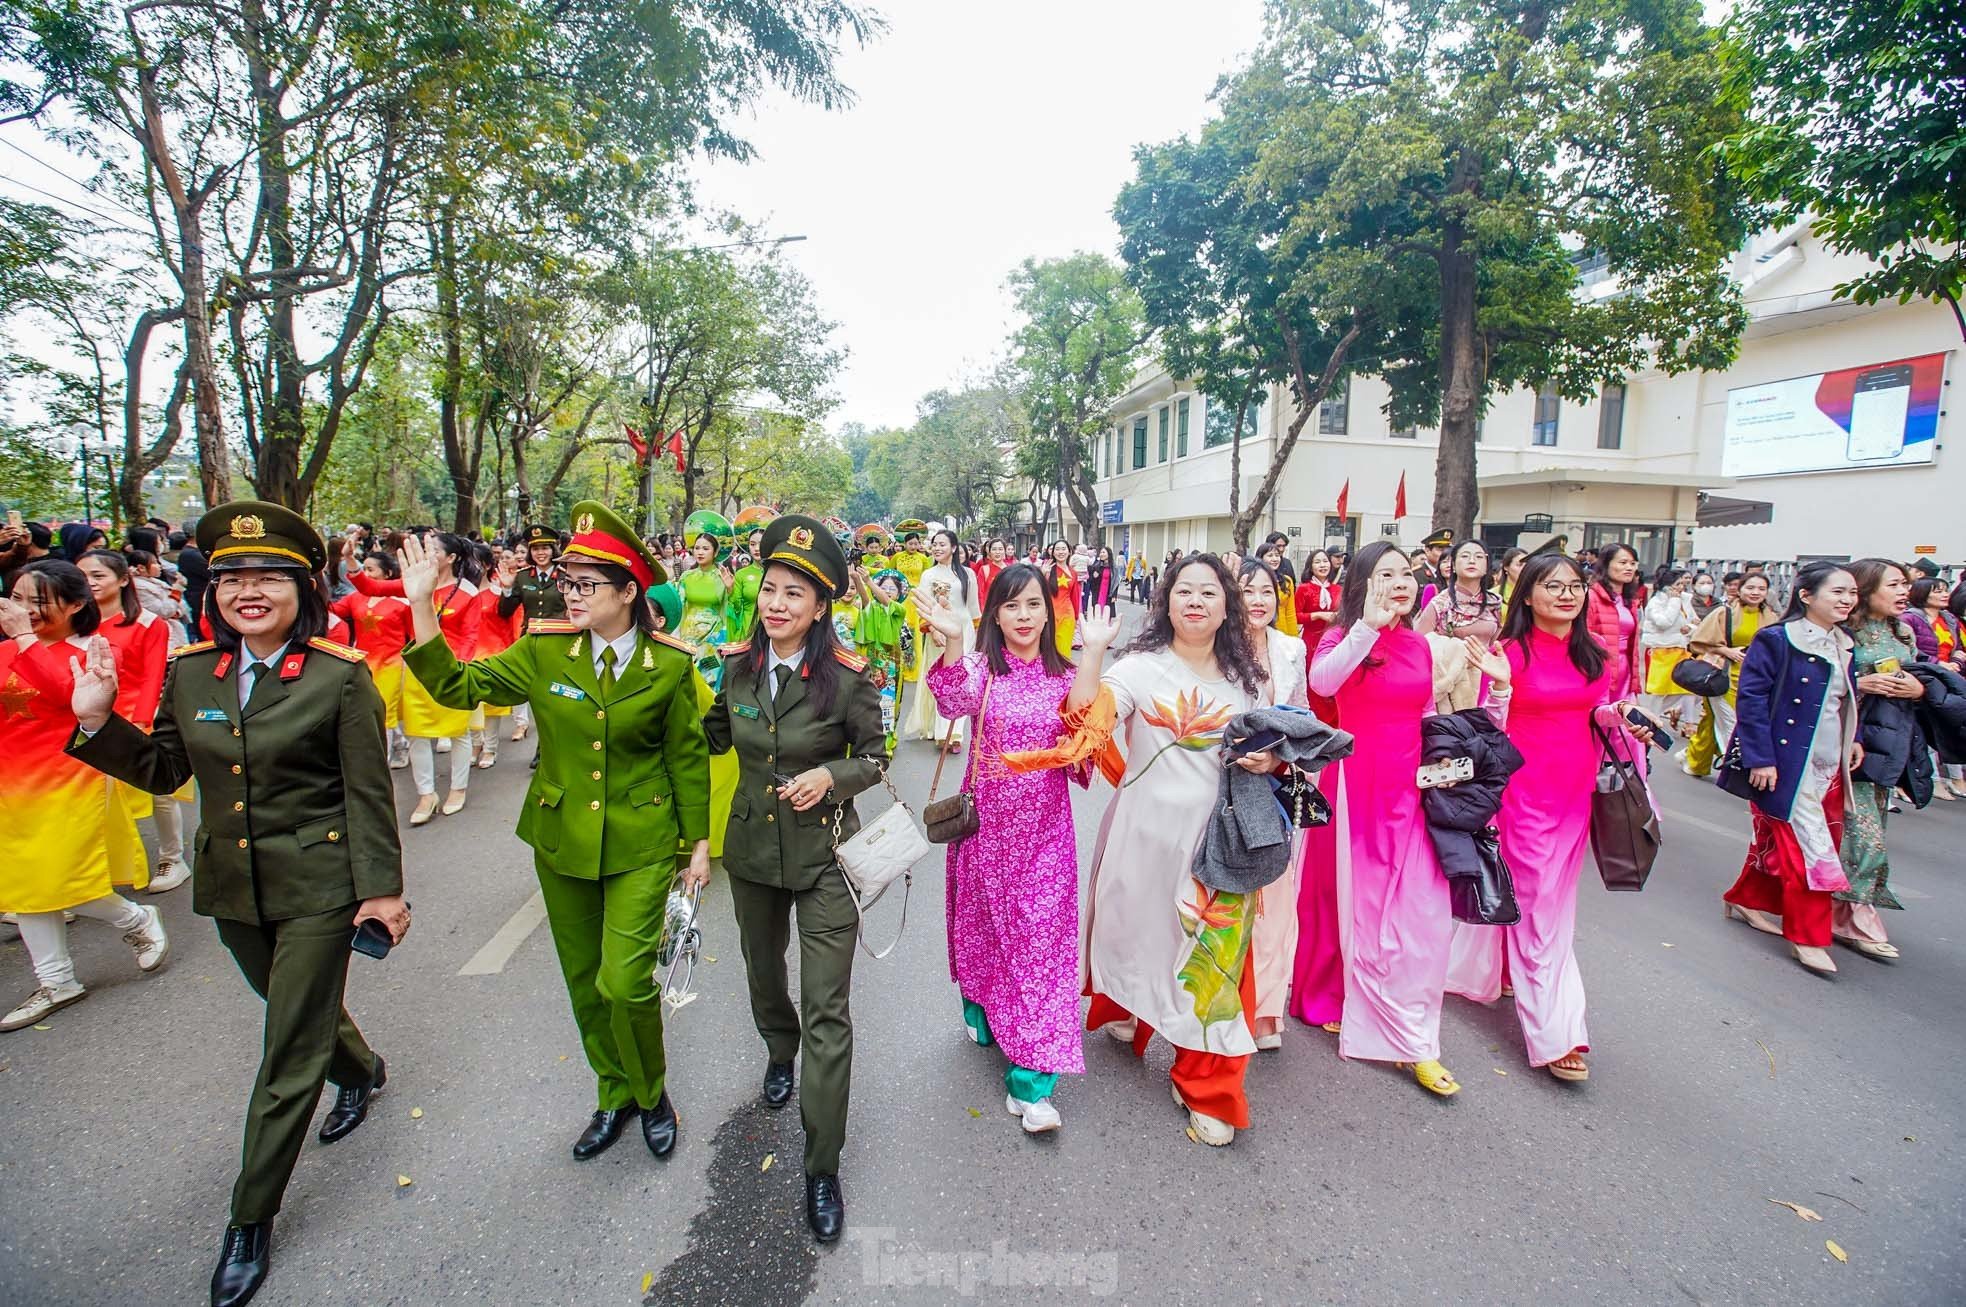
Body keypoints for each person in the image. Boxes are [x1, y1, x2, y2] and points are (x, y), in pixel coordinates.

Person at [65, 503, 406, 1307]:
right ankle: (360, 1067)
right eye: (232, 579)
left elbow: (367, 794)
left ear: (303, 587)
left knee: (287, 1051)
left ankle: (249, 1218)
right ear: (212, 590)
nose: (247, 592)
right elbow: (163, 769)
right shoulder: (193, 673)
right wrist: (94, 722)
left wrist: (383, 892)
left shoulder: (338, 675)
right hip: (232, 888)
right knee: (295, 1011)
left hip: (321, 885)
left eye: (267, 578)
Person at [400, 503, 710, 1162]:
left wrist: (698, 844)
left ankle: (652, 1093)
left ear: (629, 591)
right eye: (567, 582)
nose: (569, 593)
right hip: (561, 836)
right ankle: (613, 1091)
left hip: (642, 838)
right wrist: (422, 606)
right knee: (583, 980)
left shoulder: (670, 666)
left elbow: (685, 756)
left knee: (623, 981)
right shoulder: (543, 650)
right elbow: (458, 685)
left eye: (585, 584)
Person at [703, 514, 888, 1243]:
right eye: (770, 590)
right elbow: (714, 734)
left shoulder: (847, 680)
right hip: (750, 851)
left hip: (824, 859)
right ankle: (778, 1051)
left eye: (795, 594)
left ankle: (821, 1163)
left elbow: (876, 755)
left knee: (829, 1009)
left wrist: (830, 775)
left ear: (820, 606)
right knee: (762, 974)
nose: (778, 604)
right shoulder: (738, 667)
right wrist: (694, 680)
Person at [1075, 554, 1266, 1145]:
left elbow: (1278, 742)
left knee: (1211, 969)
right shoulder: (1139, 669)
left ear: (1226, 606)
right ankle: (1126, 1005)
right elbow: (1087, 720)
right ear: (1166, 602)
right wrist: (1093, 651)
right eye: (1184, 590)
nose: (1196, 601)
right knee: (1136, 934)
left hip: (1218, 850)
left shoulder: (1247, 678)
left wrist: (1271, 758)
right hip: (1143, 839)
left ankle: (1205, 1084)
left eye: (1210, 592)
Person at [1446, 552, 1646, 1081]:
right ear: (1527, 595)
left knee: (1548, 899)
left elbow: (1597, 709)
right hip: (1522, 796)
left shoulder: (1595, 652)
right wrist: (1503, 687)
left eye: (1575, 585)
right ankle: (1558, 1032)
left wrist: (1624, 718)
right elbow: (1487, 728)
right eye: (1552, 586)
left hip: (1574, 797)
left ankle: (1498, 970)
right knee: (1543, 911)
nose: (1566, 594)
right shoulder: (1506, 653)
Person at [1308, 540, 1486, 1098]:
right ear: (1362, 582)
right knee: (1360, 912)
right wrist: (1366, 627)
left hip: (1413, 791)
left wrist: (1446, 764)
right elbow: (1323, 685)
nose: (1399, 582)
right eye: (1385, 574)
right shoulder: (1345, 637)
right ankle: (1359, 1007)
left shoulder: (1424, 646)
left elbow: (1428, 712)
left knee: (1423, 919)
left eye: (1406, 573)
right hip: (1357, 788)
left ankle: (1417, 1041)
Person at [921, 563, 1091, 1133]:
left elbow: (1084, 754)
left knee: (1041, 952)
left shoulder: (1065, 675)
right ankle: (983, 1008)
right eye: (1012, 606)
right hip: (985, 835)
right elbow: (951, 703)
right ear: (995, 612)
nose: (1024, 617)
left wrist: (1093, 662)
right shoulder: (980, 669)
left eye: (1034, 605)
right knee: (987, 934)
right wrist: (951, 639)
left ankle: (1032, 1086)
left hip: (1046, 841)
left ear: (1050, 612)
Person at [0, 560, 168, 1031]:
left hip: (67, 779)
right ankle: (57, 982)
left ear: (76, 605)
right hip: (11, 785)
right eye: (16, 598)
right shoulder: (6, 649)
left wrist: (25, 640)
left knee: (60, 877)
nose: (23, 610)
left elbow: (66, 696)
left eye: (37, 601)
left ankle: (135, 920)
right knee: (26, 887)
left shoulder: (91, 648)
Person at [1719, 562, 1862, 976]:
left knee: (1785, 838)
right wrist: (1760, 757)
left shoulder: (1844, 642)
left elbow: (1845, 700)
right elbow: (1751, 699)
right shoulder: (1779, 640)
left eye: (1851, 593)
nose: (1846, 600)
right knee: (1811, 849)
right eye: (1837, 592)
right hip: (1786, 763)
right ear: (1806, 595)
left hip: (1828, 762)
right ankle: (1808, 936)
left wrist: (1854, 739)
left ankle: (1745, 898)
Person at [78, 548, 193, 893]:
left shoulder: (147, 623)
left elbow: (153, 677)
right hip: (87, 719)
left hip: (137, 715)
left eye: (98, 575)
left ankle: (173, 857)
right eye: (82, 576)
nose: (90, 583)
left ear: (124, 579)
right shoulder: (75, 623)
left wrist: (144, 721)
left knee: (157, 789)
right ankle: (89, 873)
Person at [349, 532, 480, 824]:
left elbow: (471, 635)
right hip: (417, 669)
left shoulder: (468, 592)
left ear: (451, 558)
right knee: (417, 734)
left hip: (453, 670)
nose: (427, 554)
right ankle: (426, 794)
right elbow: (370, 586)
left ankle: (458, 789)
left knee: (459, 732)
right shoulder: (412, 584)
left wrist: (460, 670)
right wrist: (348, 561)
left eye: (433, 550)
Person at [1834, 559, 1927, 958]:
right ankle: (1854, 911)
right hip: (1844, 740)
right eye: (1894, 584)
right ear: (1867, 589)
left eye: (1905, 584)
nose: (1904, 591)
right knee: (1858, 829)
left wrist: (1918, 689)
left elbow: (1928, 678)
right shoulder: (1842, 632)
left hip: (1890, 742)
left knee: (1869, 824)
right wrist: (1860, 683)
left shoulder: (1904, 632)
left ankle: (1846, 906)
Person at [1237, 558, 1310, 1051]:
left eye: (1268, 591)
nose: (1259, 599)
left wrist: (1280, 761)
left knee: (1275, 904)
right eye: (1248, 590)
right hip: (1224, 785)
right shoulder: (1216, 650)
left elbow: (1303, 716)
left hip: (1275, 785)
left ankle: (1264, 1011)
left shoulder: (1291, 648)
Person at [1687, 571, 1780, 764]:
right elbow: (1699, 642)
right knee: (1732, 723)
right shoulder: (1724, 612)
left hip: (1757, 678)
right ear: (1740, 589)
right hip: (1724, 675)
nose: (1756, 592)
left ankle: (1694, 760)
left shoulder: (1772, 617)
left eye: (1761, 589)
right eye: (1751, 587)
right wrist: (1726, 651)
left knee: (1711, 722)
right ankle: (1737, 766)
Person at [331, 551, 413, 769]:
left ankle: (379, 765)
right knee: (369, 709)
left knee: (384, 710)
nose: (365, 573)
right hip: (363, 663)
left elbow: (414, 634)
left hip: (392, 663)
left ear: (387, 574)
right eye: (364, 568)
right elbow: (332, 611)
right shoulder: (354, 598)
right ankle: (400, 743)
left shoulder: (402, 601)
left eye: (370, 569)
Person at [902, 528, 980, 747]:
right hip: (941, 630)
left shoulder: (968, 574)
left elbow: (973, 608)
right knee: (944, 679)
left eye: (942, 544)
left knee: (963, 679)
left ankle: (956, 733)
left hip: (965, 630)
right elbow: (924, 605)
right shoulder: (929, 575)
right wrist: (933, 629)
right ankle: (942, 732)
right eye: (934, 544)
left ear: (954, 548)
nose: (937, 548)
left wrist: (978, 633)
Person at [495, 524, 565, 746]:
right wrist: (507, 589)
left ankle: (546, 748)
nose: (540, 553)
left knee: (557, 697)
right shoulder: (523, 577)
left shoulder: (565, 575)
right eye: (535, 549)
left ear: (553, 549)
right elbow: (505, 612)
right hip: (531, 642)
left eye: (545, 548)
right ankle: (542, 744)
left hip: (560, 643)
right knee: (537, 695)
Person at [1413, 539, 1502, 709]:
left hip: (1487, 679)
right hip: (1452, 685)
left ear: (1486, 566)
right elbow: (1419, 645)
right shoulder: (1440, 604)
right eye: (1465, 556)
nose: (1472, 561)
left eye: (1478, 557)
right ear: (1453, 565)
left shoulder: (1494, 603)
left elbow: (1497, 644)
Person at [1640, 568, 1700, 733]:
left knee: (1684, 687)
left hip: (1680, 648)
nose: (1681, 587)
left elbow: (1695, 620)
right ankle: (1651, 720)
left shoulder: (1685, 599)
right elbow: (1664, 622)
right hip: (1661, 649)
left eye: (1682, 583)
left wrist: (1690, 627)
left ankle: (1653, 716)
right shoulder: (1656, 602)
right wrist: (1674, 602)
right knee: (1659, 690)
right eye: (1677, 584)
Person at [1582, 542, 1644, 703]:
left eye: (1632, 563)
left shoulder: (1630, 600)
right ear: (1606, 564)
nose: (1629, 568)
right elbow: (1584, 638)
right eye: (1622, 563)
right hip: (1602, 669)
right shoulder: (1592, 597)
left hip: (1626, 669)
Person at [1295, 549, 1342, 655]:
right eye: (1317, 562)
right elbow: (1296, 617)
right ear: (1310, 567)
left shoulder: (1338, 589)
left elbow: (1344, 614)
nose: (1322, 565)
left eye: (1325, 561)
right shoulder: (1304, 589)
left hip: (1333, 639)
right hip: (1310, 640)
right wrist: (1318, 615)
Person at [1043, 540, 1081, 657]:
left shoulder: (1073, 573)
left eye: (1063, 549)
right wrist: (1043, 574)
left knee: (1064, 649)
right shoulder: (1047, 569)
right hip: (1049, 615)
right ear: (1053, 553)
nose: (1061, 552)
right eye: (1057, 549)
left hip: (1067, 615)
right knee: (1049, 648)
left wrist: (1076, 617)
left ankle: (1064, 673)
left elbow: (1075, 596)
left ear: (1069, 552)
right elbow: (1039, 592)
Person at [1257, 540, 1300, 637]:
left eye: (1277, 555)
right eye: (1270, 555)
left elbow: (1290, 612)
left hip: (1282, 632)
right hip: (1261, 632)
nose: (1275, 559)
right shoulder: (1254, 581)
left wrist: (1294, 638)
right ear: (1261, 558)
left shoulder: (1287, 581)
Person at [1085, 545, 1118, 615]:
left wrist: (1114, 595)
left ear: (1109, 554)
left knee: (1107, 612)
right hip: (1098, 592)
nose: (1101, 554)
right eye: (1101, 553)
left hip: (1108, 593)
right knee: (1097, 611)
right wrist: (1094, 577)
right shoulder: (1096, 565)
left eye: (1103, 552)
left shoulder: (1114, 567)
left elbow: (1116, 582)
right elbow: (1090, 580)